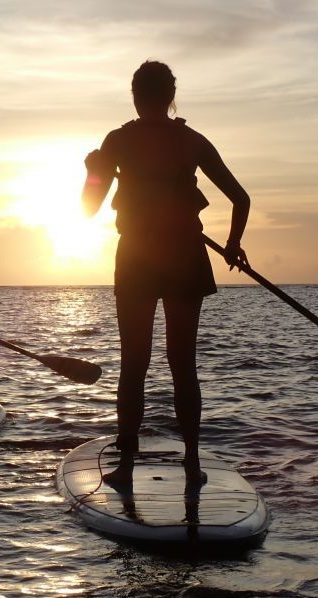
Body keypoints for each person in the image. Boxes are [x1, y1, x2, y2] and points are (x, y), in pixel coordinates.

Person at [82, 60, 250, 489]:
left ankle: (126, 465)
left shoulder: (117, 141)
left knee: (133, 364)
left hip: (138, 256)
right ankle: (192, 463)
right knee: (183, 364)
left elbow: (88, 208)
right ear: (170, 96)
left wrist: (93, 170)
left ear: (135, 96)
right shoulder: (192, 141)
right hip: (184, 256)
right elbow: (240, 198)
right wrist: (232, 245)